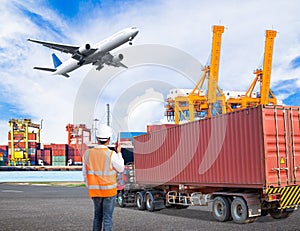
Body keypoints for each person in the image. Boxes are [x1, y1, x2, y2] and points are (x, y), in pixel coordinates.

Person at [82, 124, 124, 231]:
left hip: (95, 192)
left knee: (97, 217)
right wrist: (118, 152)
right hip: (109, 192)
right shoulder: (111, 154)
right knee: (107, 219)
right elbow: (121, 168)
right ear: (109, 139)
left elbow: (84, 174)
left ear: (97, 138)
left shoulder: (87, 154)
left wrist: (90, 186)